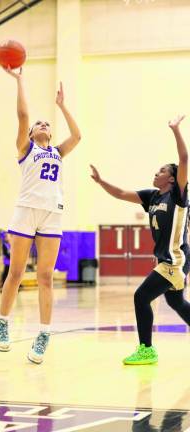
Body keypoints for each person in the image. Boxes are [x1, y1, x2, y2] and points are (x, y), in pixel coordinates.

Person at [0, 67, 81, 364]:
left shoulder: (57, 151)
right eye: (38, 124)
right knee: (16, 273)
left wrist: (62, 106)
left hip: (52, 215)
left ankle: (44, 333)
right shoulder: (26, 149)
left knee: (45, 277)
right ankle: (3, 322)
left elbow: (78, 135)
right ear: (31, 133)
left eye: (46, 123)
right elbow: (22, 117)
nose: (42, 124)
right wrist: (19, 80)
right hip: (26, 211)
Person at [90, 115, 190, 365]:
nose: (156, 173)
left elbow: (184, 159)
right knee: (175, 300)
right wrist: (102, 182)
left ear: (171, 178)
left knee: (141, 296)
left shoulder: (178, 195)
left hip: (174, 260)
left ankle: (146, 349)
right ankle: (147, 348)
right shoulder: (152, 197)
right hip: (171, 260)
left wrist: (176, 130)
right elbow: (122, 193)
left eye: (162, 171)